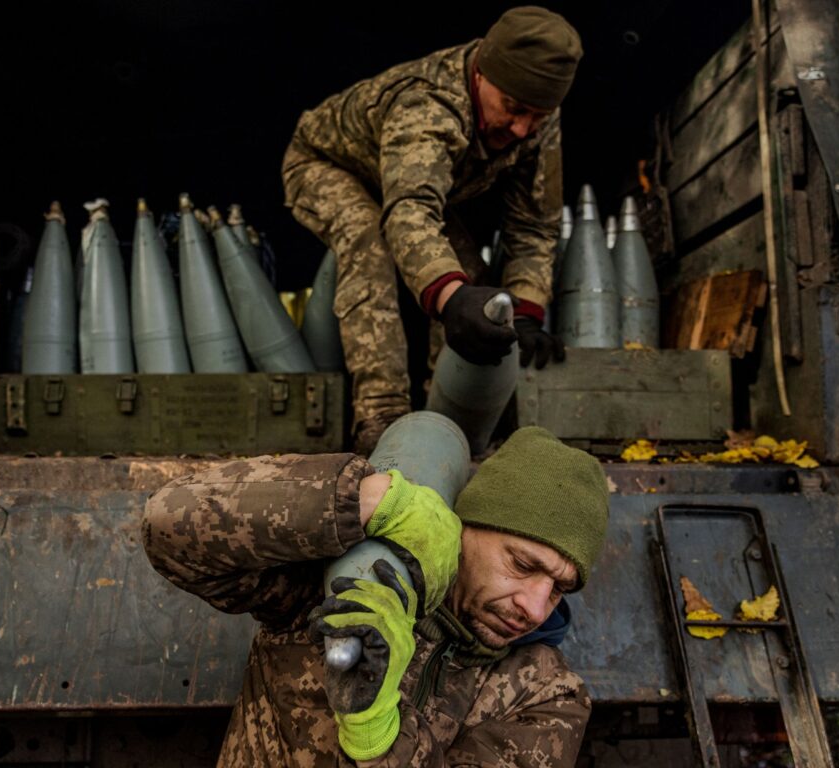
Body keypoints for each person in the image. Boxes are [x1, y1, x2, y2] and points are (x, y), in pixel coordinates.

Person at [142, 426, 609, 766]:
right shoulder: (325, 587)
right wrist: (362, 502)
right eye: (523, 565)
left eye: (559, 589)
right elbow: (169, 522)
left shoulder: (546, 694)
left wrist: (377, 729)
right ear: (464, 529)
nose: (534, 607)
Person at [282, 6, 578, 453]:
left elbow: (535, 224)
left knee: (472, 286)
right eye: (514, 109)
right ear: (480, 75)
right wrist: (448, 297)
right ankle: (381, 416)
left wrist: (525, 312)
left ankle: (449, 423)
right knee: (370, 243)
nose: (522, 129)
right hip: (327, 165)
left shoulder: (537, 115)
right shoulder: (429, 103)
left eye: (536, 117)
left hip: (404, 183)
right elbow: (408, 209)